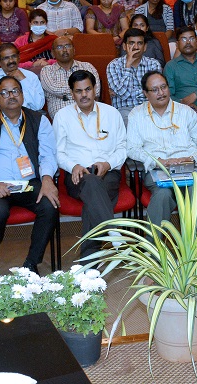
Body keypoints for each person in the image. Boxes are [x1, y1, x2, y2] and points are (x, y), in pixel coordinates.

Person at [0, 74, 60, 278]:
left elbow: (48, 155)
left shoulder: (38, 120)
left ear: (22, 94)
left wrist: (46, 179)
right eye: (4, 92)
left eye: (15, 91)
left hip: (29, 183)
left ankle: (31, 263)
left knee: (49, 205)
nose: (11, 96)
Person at [54, 70, 127, 259]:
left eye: (88, 89)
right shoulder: (62, 116)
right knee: (92, 184)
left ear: (95, 89)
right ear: (72, 93)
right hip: (78, 175)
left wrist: (108, 163)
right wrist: (73, 166)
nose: (84, 94)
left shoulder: (111, 113)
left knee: (92, 202)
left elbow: (123, 148)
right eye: (78, 91)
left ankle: (89, 262)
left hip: (108, 173)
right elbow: (58, 152)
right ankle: (114, 233)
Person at [126, 71, 197, 226]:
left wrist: (191, 159)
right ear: (145, 93)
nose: (161, 93)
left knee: (195, 192)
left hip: (188, 168)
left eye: (163, 87)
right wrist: (157, 161)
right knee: (162, 195)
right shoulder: (137, 115)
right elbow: (132, 148)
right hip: (158, 170)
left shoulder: (186, 112)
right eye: (155, 90)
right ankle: (154, 248)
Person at [0, 42, 47, 117]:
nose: (11, 61)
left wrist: (23, 80)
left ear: (19, 58)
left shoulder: (31, 77)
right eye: (6, 58)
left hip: (25, 121)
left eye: (14, 56)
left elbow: (38, 105)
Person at [106, 28, 161, 120]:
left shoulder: (153, 64)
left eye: (139, 43)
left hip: (149, 108)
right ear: (124, 46)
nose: (135, 47)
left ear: (145, 47)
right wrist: (128, 66)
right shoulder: (113, 65)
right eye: (131, 43)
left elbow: (155, 92)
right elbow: (123, 94)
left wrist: (127, 92)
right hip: (124, 110)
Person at [40, 35, 101, 117]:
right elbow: (54, 89)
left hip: (87, 114)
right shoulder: (47, 70)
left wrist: (64, 96)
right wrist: (83, 91)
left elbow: (96, 91)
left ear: (74, 50)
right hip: (62, 118)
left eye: (68, 46)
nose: (64, 50)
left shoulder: (87, 67)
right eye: (59, 47)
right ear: (53, 53)